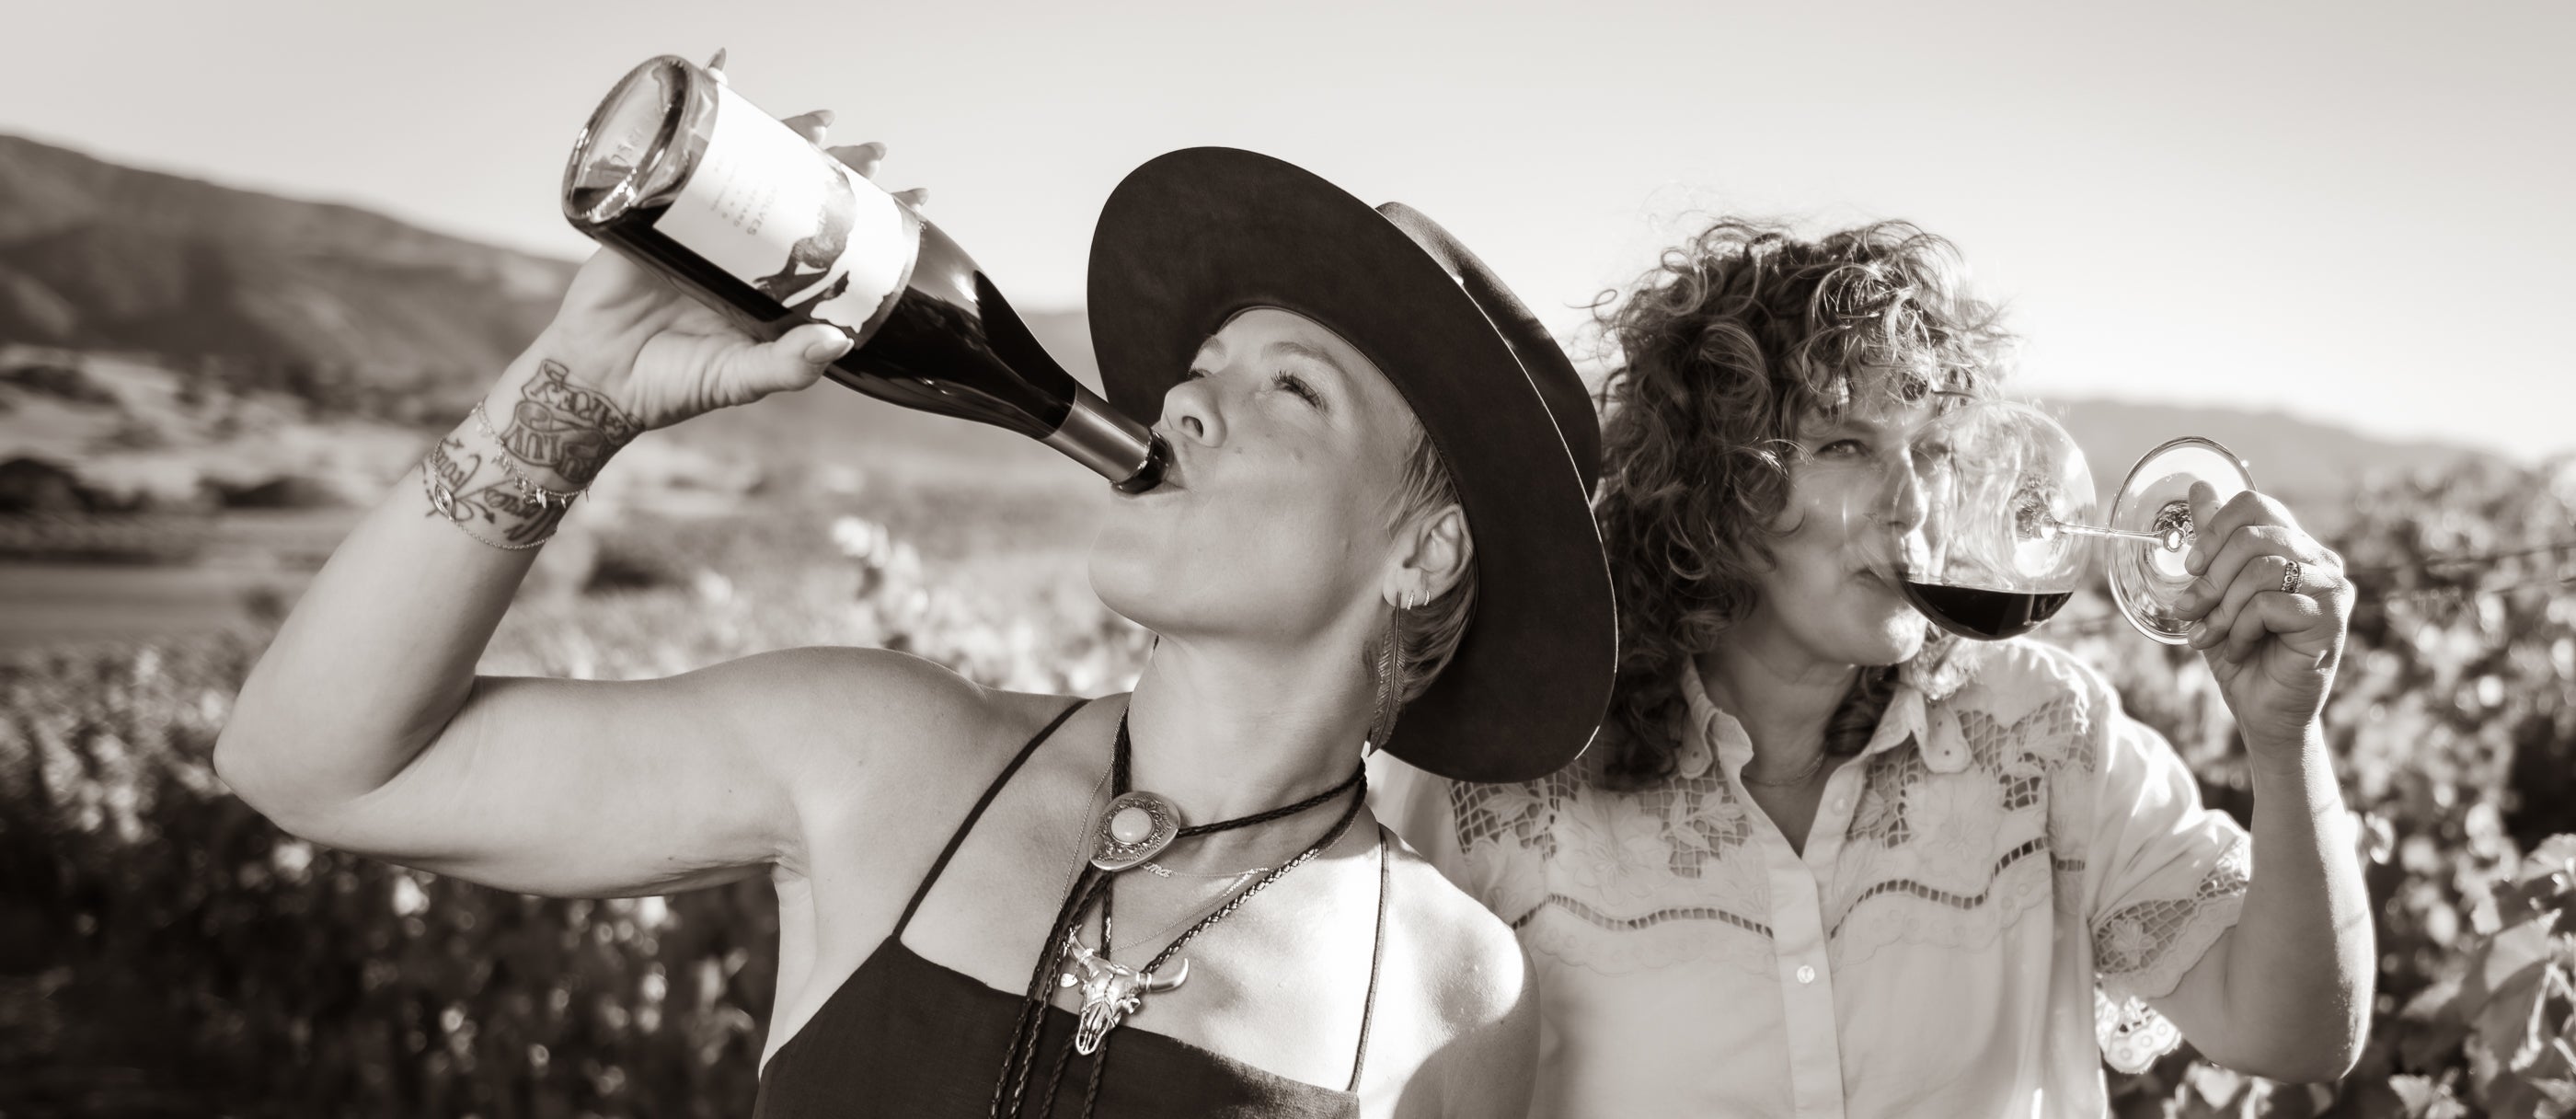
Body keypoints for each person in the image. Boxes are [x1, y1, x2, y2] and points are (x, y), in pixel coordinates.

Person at [213, 130, 1617, 1118]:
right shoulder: (880, 755)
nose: (1186, 402)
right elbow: (316, 765)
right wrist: (577, 390)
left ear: (1425, 551)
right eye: (1201, 368)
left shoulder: (1456, 991)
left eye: (1290, 390)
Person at [1370, 219, 2373, 1116]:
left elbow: (2294, 1037)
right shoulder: (1504, 789)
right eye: (1846, 445)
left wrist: (2283, 739)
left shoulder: (2042, 733)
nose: (1913, 506)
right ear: (1712, 488)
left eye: (1931, 451)